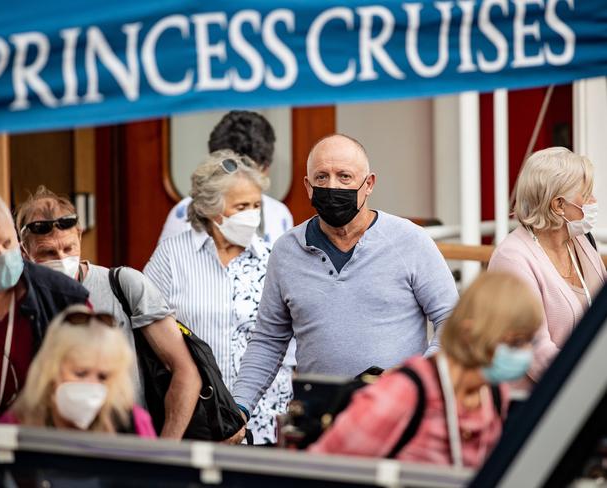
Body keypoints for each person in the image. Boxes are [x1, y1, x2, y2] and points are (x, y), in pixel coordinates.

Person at [232, 134, 459, 424]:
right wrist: (239, 407)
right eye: (322, 177)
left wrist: (413, 383)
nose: (332, 186)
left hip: (397, 415)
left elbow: (452, 322)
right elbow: (268, 340)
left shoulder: (409, 240)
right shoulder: (287, 251)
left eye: (345, 176)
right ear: (308, 186)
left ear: (369, 184)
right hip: (318, 417)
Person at [16, 187, 201, 439]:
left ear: (79, 236)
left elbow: (185, 370)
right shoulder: (18, 299)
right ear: (24, 251)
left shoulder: (124, 285)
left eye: (68, 248)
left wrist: (164, 453)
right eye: (48, 253)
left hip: (126, 446)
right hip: (49, 447)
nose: (61, 258)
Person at [310, 272, 542, 468]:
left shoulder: (493, 394)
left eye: (530, 342)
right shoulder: (403, 393)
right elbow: (322, 471)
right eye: (515, 343)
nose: (525, 354)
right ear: (470, 334)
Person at [145, 150, 293, 445]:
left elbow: (288, 339)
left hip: (263, 422)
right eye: (242, 206)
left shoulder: (272, 258)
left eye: (256, 205)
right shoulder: (172, 257)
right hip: (198, 420)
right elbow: (146, 332)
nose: (252, 214)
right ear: (213, 210)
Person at [0, 189, 89, 421]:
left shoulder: (66, 299)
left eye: (8, 244)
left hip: (43, 444)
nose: (2, 256)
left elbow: (95, 381)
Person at [488, 147, 606, 386]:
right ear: (558, 205)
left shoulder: (581, 241)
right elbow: (534, 350)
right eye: (586, 195)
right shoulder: (512, 259)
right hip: (542, 401)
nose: (593, 202)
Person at [0, 305, 156, 437]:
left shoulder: (133, 424)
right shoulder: (17, 424)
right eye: (80, 373)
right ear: (51, 368)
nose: (91, 384)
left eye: (103, 376)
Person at [159, 110, 293, 245]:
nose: (240, 180)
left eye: (249, 175)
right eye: (230, 169)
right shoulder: (185, 215)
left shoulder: (279, 214)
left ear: (264, 170)